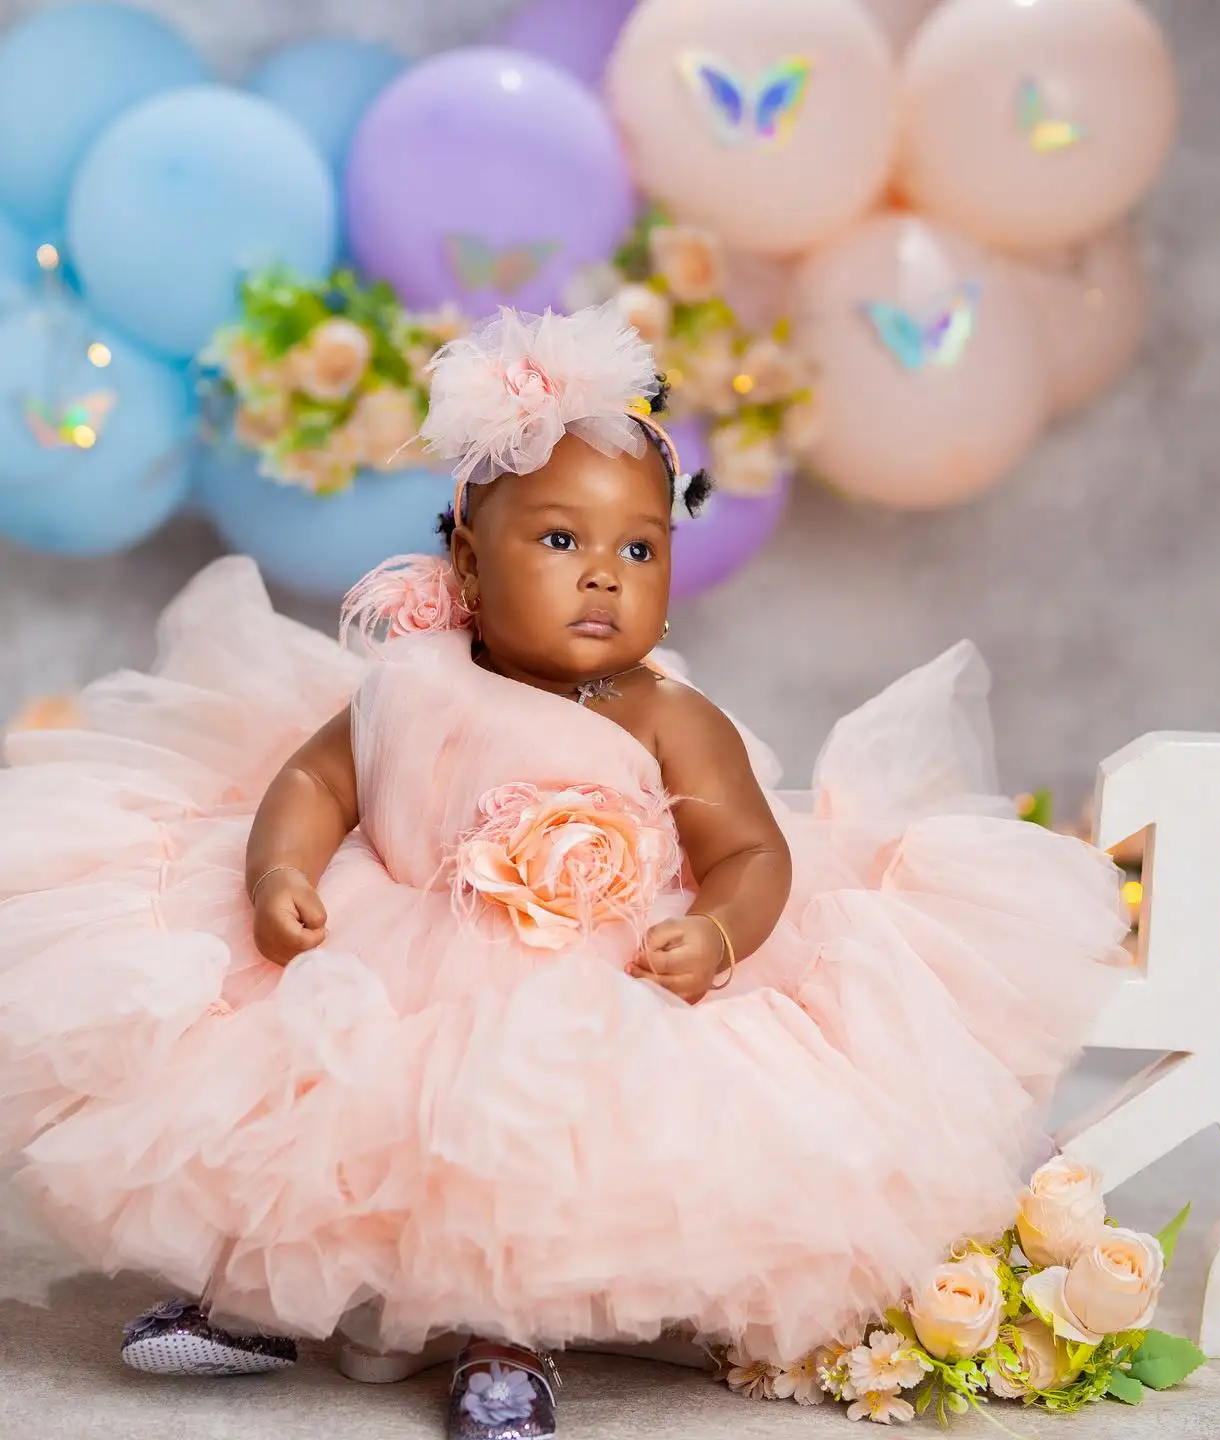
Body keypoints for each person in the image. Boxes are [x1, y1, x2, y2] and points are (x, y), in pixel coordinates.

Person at [0, 303, 1128, 1439]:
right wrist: (277, 874)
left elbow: (750, 848)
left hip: (591, 987)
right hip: (388, 950)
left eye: (637, 550)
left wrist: (724, 930)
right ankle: (248, 1295)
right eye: (559, 542)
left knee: (528, 1166)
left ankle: (510, 1341)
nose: (603, 576)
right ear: (468, 566)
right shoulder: (413, 678)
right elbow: (313, 785)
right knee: (299, 1108)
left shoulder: (667, 714)